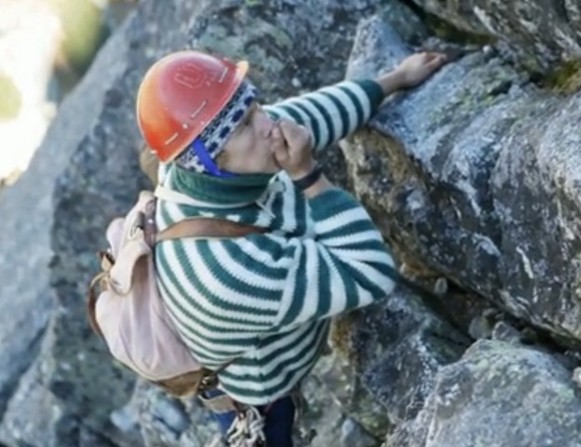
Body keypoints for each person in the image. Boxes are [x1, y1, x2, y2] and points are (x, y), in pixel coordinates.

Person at [136, 49, 448, 446]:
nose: (269, 124)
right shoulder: (229, 271)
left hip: (262, 326)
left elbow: (312, 115)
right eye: (247, 124)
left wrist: (393, 80)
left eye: (254, 106)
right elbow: (369, 271)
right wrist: (307, 175)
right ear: (209, 161)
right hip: (260, 391)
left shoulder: (206, 158)